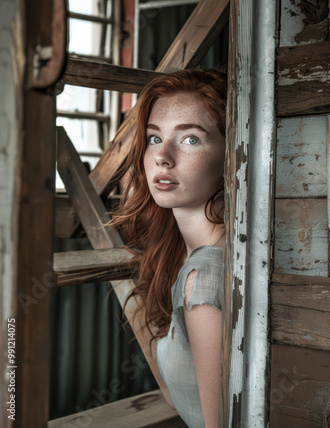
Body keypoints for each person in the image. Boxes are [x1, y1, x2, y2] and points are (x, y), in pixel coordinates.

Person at [112, 69, 226, 428]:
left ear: (232, 152)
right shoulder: (190, 254)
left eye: (190, 139)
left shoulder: (203, 278)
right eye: (153, 138)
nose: (163, 156)